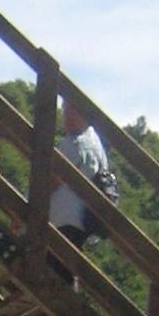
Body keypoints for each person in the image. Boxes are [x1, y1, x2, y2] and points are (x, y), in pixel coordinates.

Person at [49, 93, 121, 241]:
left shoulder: (75, 143)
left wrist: (24, 211)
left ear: (85, 114)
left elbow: (50, 182)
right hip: (79, 227)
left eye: (73, 110)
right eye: (65, 109)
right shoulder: (96, 145)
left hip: (59, 225)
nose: (67, 115)